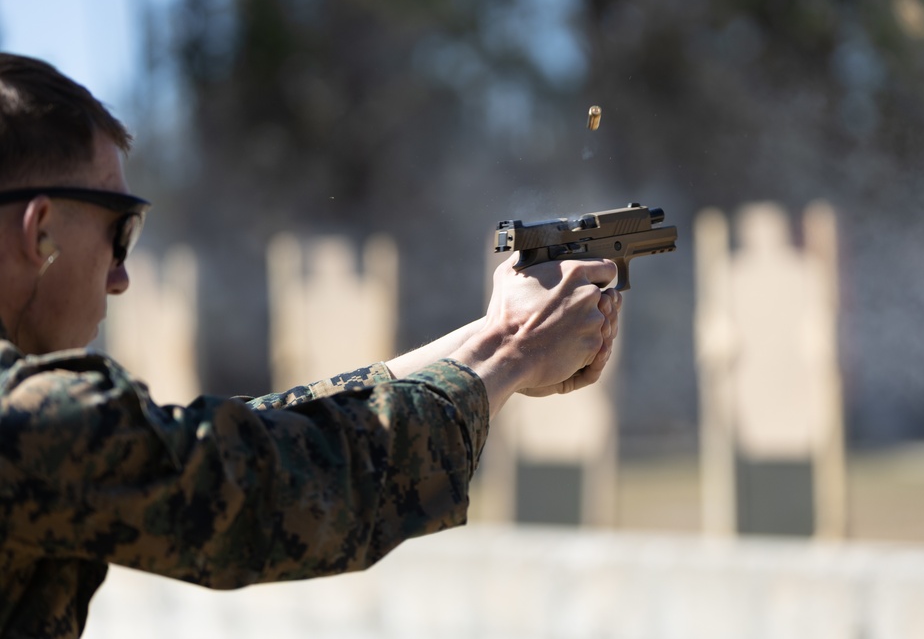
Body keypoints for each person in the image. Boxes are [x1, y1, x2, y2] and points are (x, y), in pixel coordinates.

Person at [0, 52, 622, 638]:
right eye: (119, 231)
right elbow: (265, 487)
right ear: (41, 230)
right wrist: (511, 353)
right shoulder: (26, 419)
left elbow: (250, 438)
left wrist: (487, 339)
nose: (121, 275)